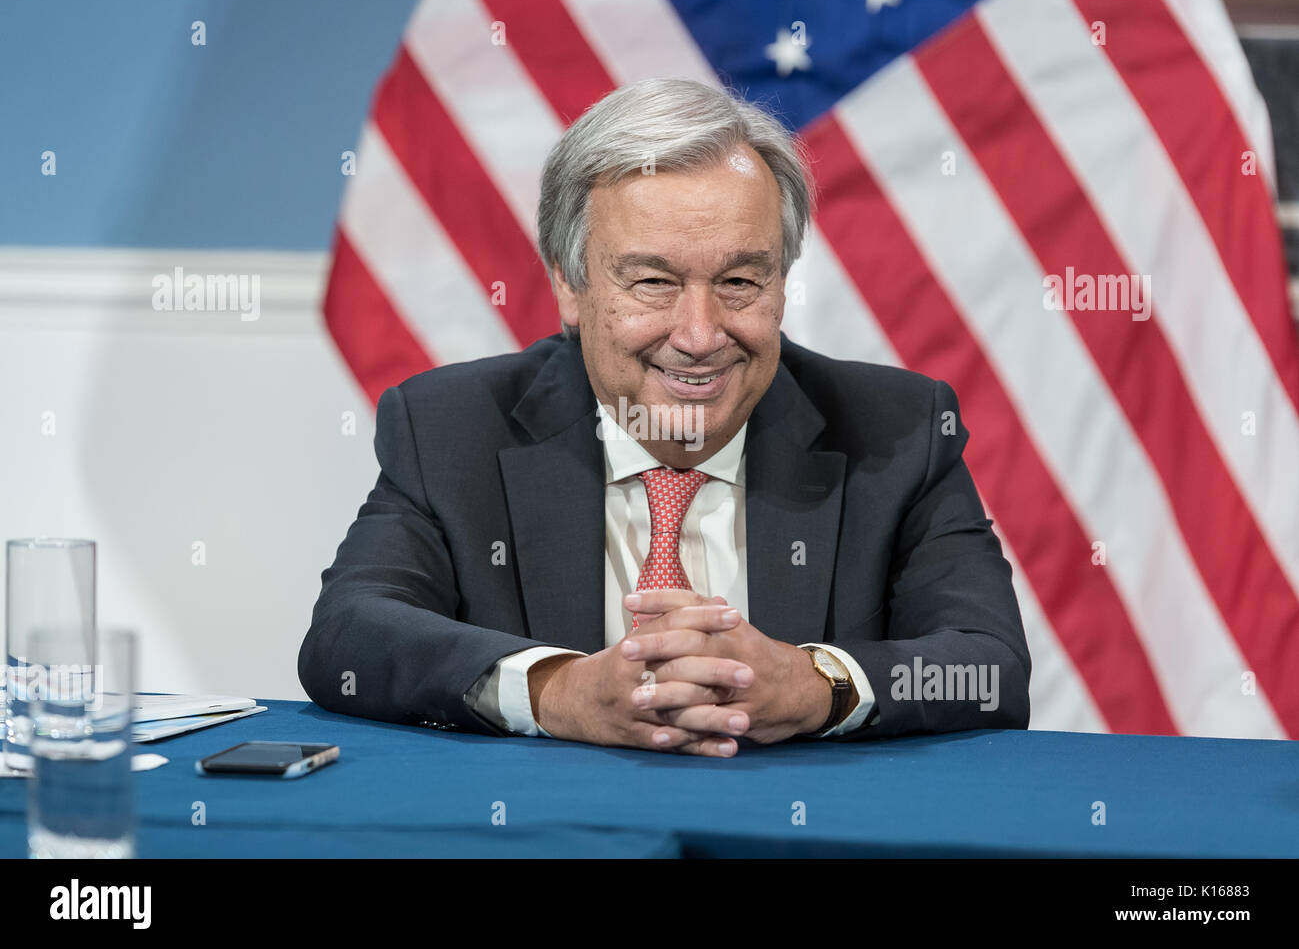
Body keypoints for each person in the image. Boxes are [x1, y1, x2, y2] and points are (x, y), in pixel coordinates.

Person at [298, 77, 1030, 757]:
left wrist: (813, 687)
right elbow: (348, 637)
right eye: (653, 282)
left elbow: (988, 670)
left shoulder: (895, 430)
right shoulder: (453, 428)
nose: (700, 335)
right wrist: (558, 691)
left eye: (741, 281)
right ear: (571, 284)